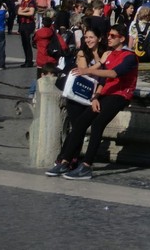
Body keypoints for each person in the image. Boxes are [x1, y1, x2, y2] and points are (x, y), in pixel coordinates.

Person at [46, 24, 139, 180]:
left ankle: (87, 165)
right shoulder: (109, 54)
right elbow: (103, 80)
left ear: (122, 38)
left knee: (97, 124)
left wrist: (87, 70)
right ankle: (65, 161)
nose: (109, 38)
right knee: (80, 123)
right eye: (108, 35)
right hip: (104, 93)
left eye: (113, 36)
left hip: (120, 95)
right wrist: (96, 97)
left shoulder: (129, 56)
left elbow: (113, 73)